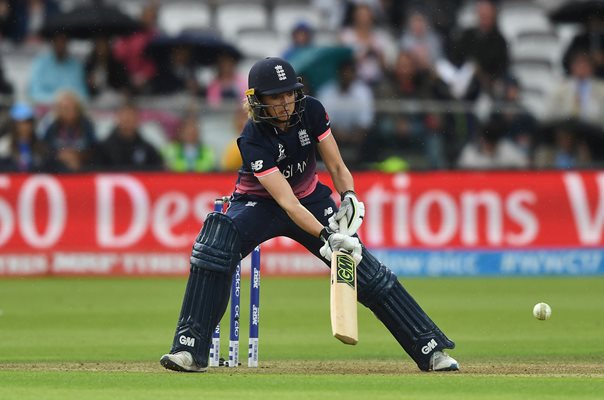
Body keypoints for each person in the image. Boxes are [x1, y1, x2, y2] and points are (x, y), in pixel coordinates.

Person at [159, 57, 459, 373]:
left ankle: (431, 349)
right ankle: (189, 350)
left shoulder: (312, 110)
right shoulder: (252, 137)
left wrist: (350, 198)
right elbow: (286, 204)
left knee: (363, 268)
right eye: (275, 96)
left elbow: (338, 167)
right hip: (259, 204)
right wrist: (326, 234)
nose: (285, 102)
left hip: (311, 198)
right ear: (257, 99)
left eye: (289, 93)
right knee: (215, 245)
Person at [95, 102, 163, 171]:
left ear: (137, 119)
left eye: (131, 116)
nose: (128, 120)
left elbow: (158, 172)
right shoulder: (104, 148)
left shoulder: (148, 149)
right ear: (118, 118)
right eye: (125, 116)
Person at [27, 32, 89, 105]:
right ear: (53, 44)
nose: (60, 45)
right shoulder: (40, 63)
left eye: (63, 42)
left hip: (70, 109)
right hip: (45, 108)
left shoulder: (76, 65)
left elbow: (82, 94)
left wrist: (67, 101)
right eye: (58, 42)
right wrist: (59, 100)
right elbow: (35, 93)